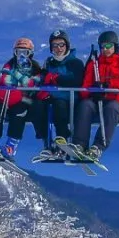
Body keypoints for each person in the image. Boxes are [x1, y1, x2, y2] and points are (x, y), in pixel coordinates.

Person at [71, 30, 119, 161]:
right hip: (95, 100)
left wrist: (110, 84)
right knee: (85, 105)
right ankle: (80, 144)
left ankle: (98, 146)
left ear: (115, 46)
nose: (105, 49)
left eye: (109, 46)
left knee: (111, 108)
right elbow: (84, 88)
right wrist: (92, 90)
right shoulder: (94, 64)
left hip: (114, 101)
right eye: (103, 47)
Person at [0, 37, 45, 160]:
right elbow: (4, 79)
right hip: (6, 98)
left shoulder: (35, 68)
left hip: (24, 100)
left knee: (19, 112)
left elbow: (32, 84)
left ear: (31, 53)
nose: (21, 55)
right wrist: (21, 81)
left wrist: (16, 75)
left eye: (25, 52)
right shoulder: (9, 64)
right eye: (19, 52)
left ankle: (11, 145)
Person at [33, 29, 85, 161]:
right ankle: (46, 143)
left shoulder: (75, 63)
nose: (58, 48)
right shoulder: (49, 62)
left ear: (67, 45)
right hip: (52, 98)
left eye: (61, 45)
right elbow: (43, 78)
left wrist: (56, 78)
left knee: (59, 105)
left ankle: (62, 141)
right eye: (55, 45)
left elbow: (76, 81)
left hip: (69, 100)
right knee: (37, 105)